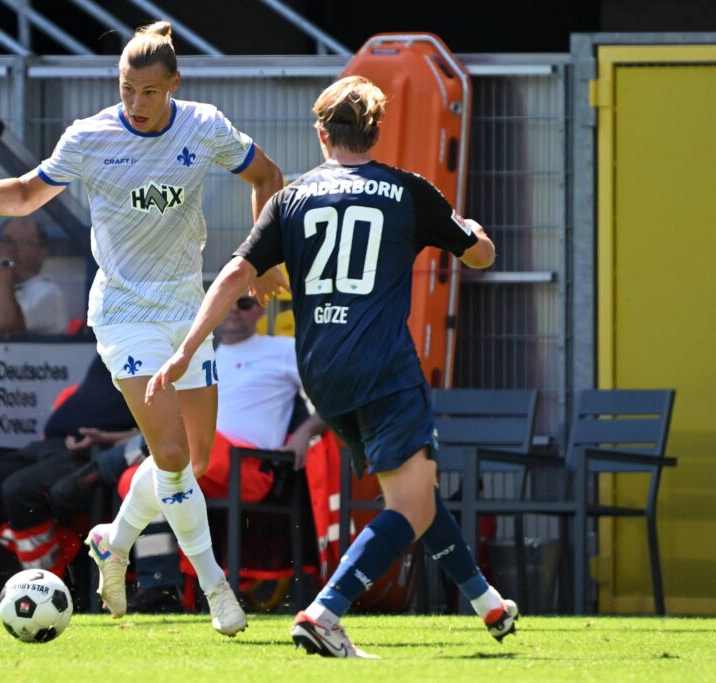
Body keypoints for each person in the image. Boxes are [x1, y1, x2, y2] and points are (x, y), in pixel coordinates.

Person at [0, 20, 285, 636]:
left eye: (149, 91)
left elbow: (268, 177)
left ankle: (112, 541)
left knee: (195, 458)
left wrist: (266, 259)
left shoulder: (204, 126)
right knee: (171, 456)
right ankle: (217, 591)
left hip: (187, 311)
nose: (136, 102)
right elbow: (24, 195)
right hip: (124, 315)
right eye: (126, 88)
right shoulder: (89, 137)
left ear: (174, 84)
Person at [147, 75, 516, 658]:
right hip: (383, 367)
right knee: (410, 500)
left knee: (414, 488)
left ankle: (486, 602)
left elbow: (237, 273)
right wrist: (473, 231)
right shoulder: (408, 191)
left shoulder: (290, 199)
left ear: (321, 132)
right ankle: (325, 612)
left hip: (322, 374)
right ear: (376, 131)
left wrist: (188, 347)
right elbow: (480, 256)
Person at [118, 293, 326, 612]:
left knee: (172, 451)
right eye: (227, 303)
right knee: (134, 481)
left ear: (260, 310)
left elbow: (333, 396)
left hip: (248, 465)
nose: (233, 310)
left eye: (244, 303)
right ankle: (159, 587)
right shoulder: (202, 356)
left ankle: (119, 458)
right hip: (205, 459)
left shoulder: (283, 349)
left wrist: (305, 432)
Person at [0, 355, 139, 576]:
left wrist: (109, 438)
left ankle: (46, 581)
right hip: (51, 443)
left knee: (19, 489)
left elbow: (161, 430)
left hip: (96, 452)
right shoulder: (114, 346)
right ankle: (67, 552)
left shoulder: (165, 357)